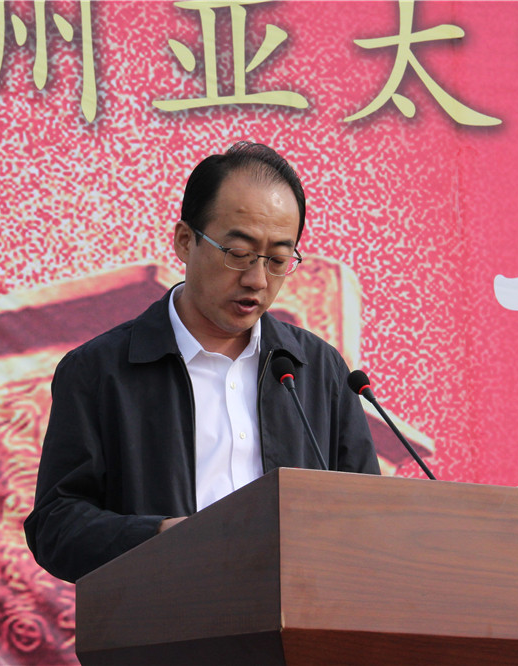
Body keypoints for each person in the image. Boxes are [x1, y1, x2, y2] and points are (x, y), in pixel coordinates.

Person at [24, 142, 379, 583]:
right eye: (238, 253)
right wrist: (158, 538)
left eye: (277, 260)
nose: (257, 279)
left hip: (296, 616)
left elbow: (368, 515)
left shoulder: (317, 371)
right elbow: (56, 525)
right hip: (167, 614)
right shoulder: (100, 371)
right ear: (185, 241)